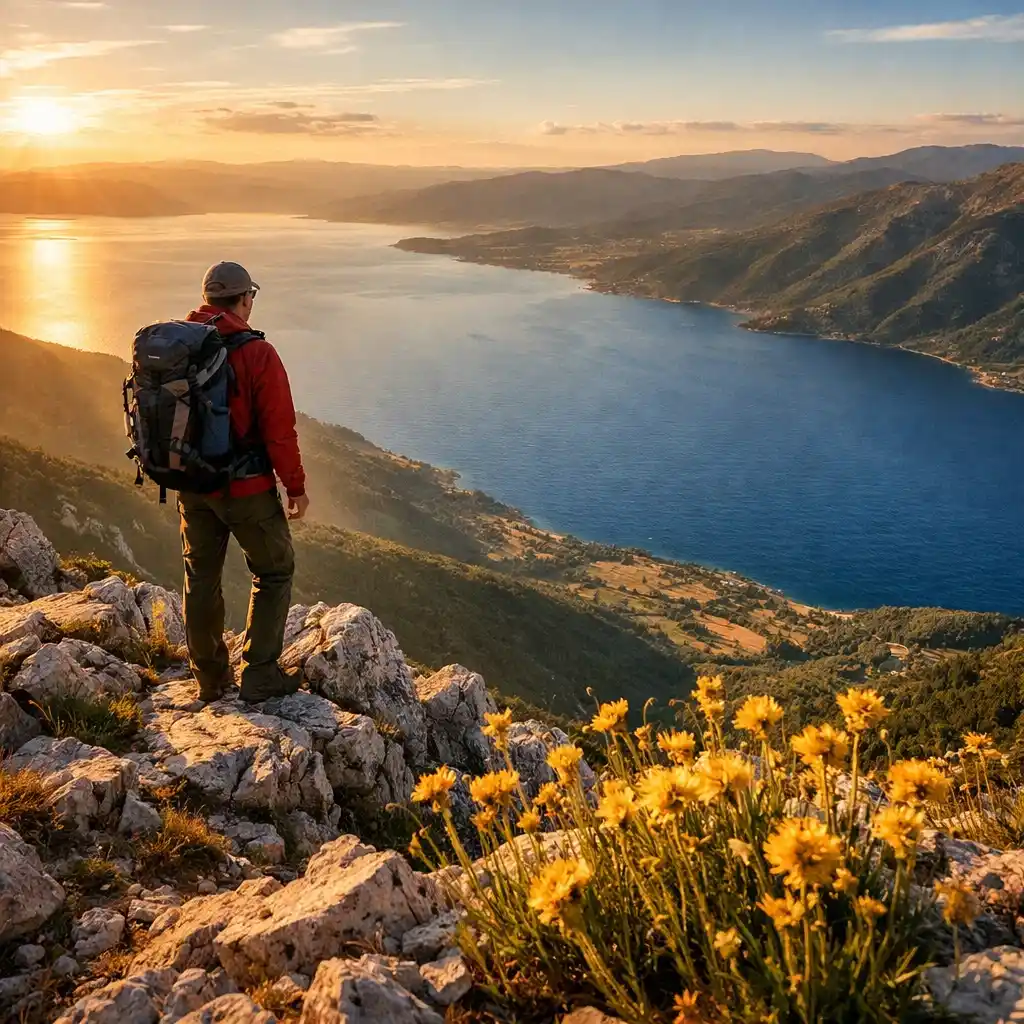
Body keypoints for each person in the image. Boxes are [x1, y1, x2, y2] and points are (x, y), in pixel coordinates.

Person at [177, 261, 309, 703]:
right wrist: (295, 487)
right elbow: (279, 431)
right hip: (246, 489)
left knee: (201, 576)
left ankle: (210, 678)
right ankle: (260, 673)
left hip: (192, 484)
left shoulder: (182, 343)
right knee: (274, 570)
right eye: (251, 294)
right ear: (243, 299)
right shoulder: (257, 353)